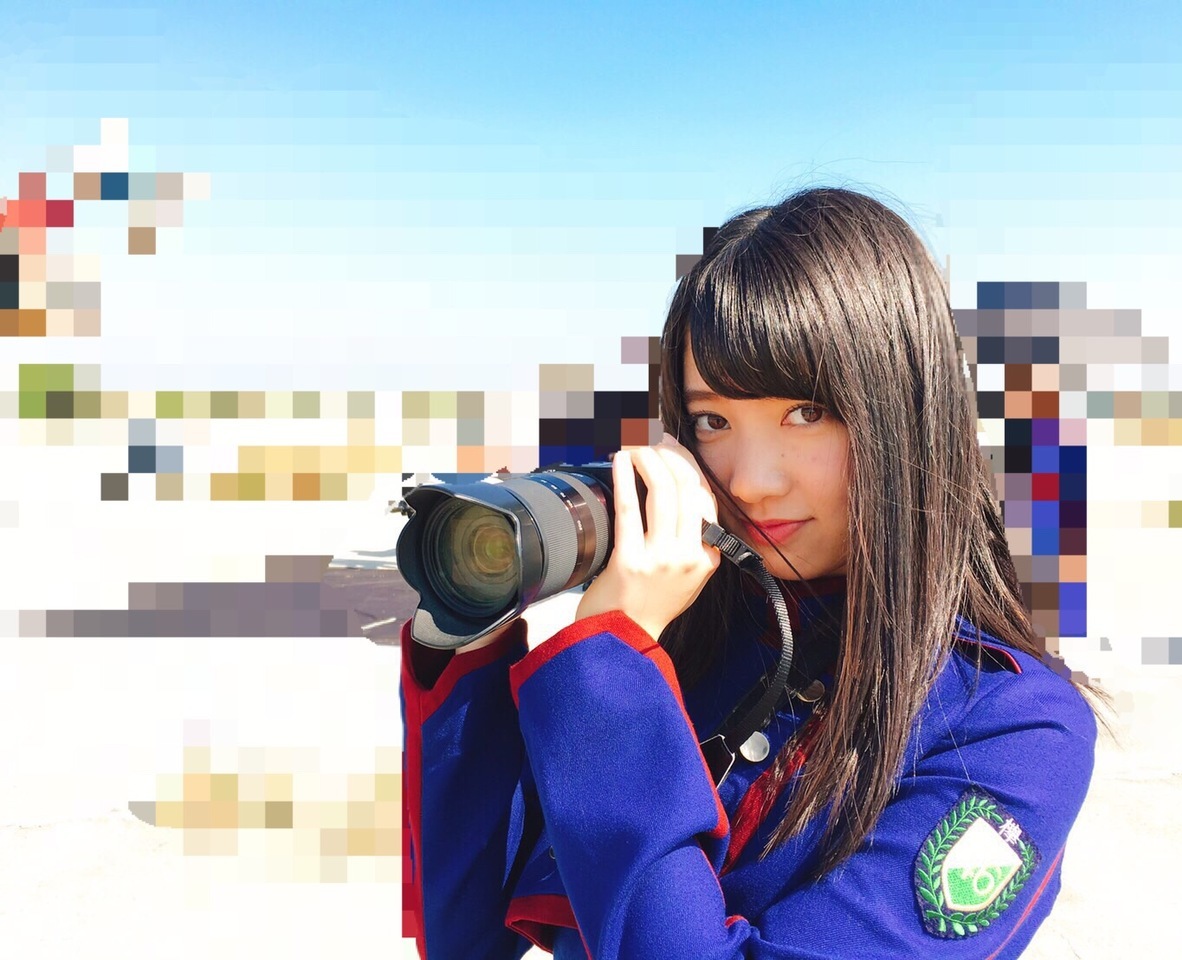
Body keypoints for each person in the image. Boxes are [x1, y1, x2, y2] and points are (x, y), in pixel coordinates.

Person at [400, 186, 1105, 959]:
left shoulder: (1010, 729)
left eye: (807, 412)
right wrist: (470, 632)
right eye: (713, 420)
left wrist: (609, 667)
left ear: (908, 415)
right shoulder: (686, 633)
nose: (750, 481)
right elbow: (463, 935)